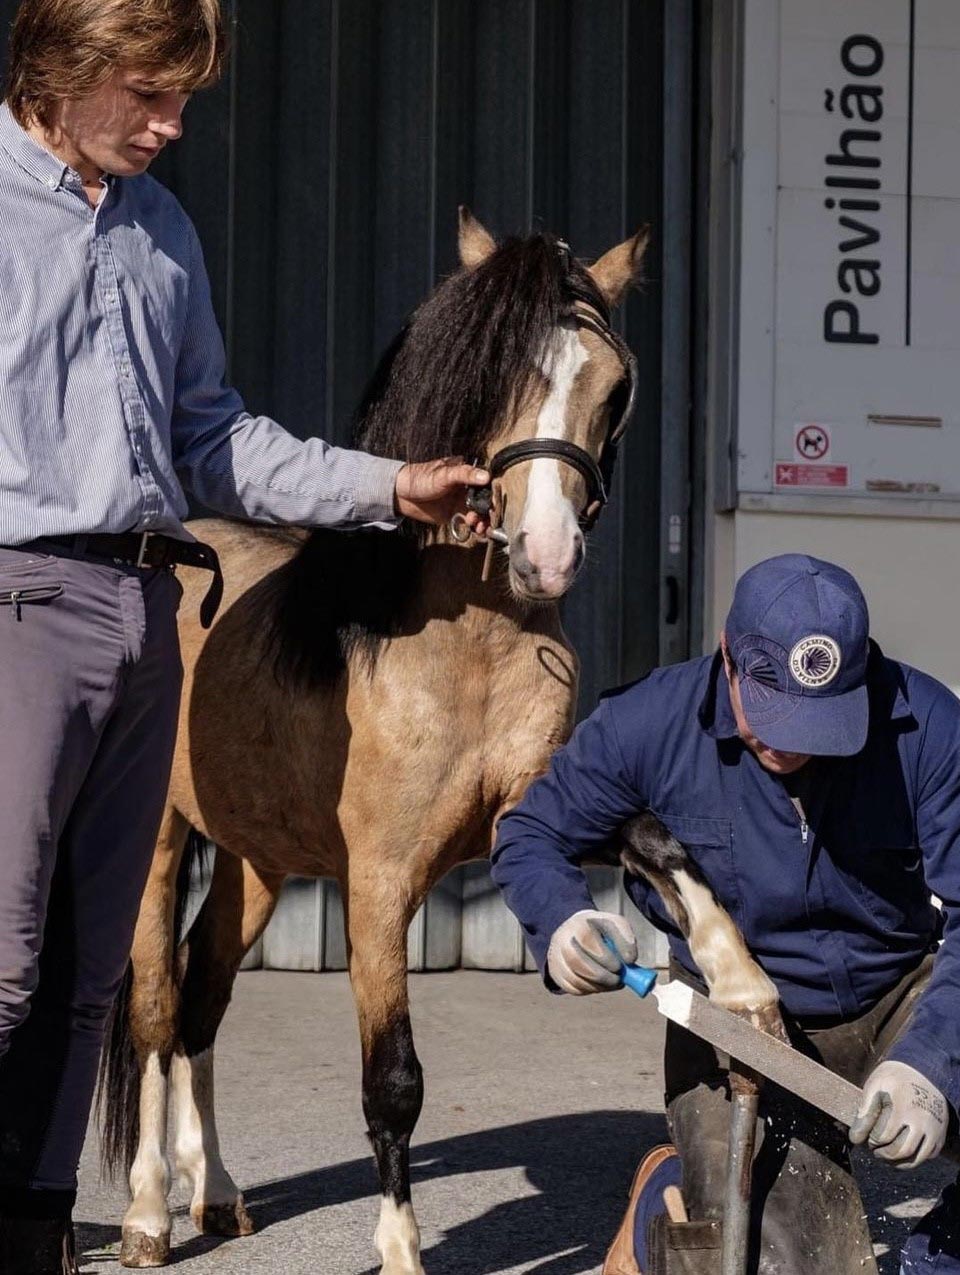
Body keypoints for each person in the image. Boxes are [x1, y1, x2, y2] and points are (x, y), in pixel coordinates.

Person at [0, 2, 489, 1268]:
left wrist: (391, 487)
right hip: (16, 603)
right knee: (3, 966)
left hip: (146, 607)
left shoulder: (161, 231)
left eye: (184, 101)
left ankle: (34, 1231)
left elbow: (213, 441)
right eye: (150, 95)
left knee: (93, 975)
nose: (173, 126)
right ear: (65, 68)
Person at [491, 553, 960, 1275]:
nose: (789, 742)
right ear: (727, 657)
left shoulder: (931, 728)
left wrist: (933, 1064)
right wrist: (561, 921)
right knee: (784, 1260)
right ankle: (669, 1195)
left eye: (820, 722)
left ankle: (949, 1254)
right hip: (737, 1027)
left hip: (899, 997)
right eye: (771, 712)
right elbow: (530, 834)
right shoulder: (647, 723)